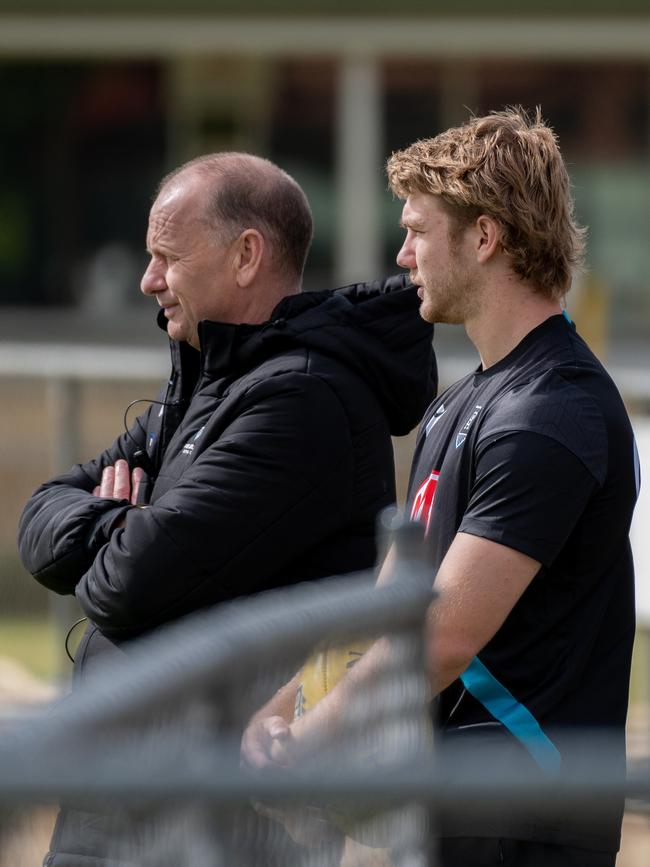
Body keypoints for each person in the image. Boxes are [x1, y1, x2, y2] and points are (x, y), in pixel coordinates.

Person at [241, 109, 640, 866]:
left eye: (418, 230)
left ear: (484, 237)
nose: (402, 254)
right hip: (447, 807)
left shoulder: (554, 409)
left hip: (525, 817)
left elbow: (441, 637)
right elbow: (387, 609)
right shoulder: (463, 402)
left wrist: (305, 750)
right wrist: (279, 710)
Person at [18, 152, 436, 866]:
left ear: (247, 256)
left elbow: (128, 581)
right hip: (134, 788)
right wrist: (123, 525)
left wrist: (120, 530)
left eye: (166, 257)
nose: (149, 281)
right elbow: (38, 518)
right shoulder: (205, 380)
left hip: (220, 817)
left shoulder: (303, 400)